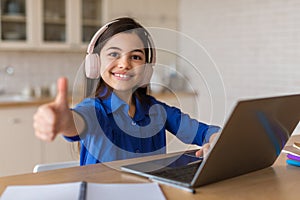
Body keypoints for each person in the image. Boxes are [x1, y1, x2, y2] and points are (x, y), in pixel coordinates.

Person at [33, 17, 221, 166]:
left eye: (136, 56)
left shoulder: (157, 110)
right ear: (95, 63)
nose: (124, 64)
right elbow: (76, 122)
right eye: (114, 54)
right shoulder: (94, 110)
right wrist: (63, 120)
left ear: (146, 70)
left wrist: (214, 140)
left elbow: (203, 132)